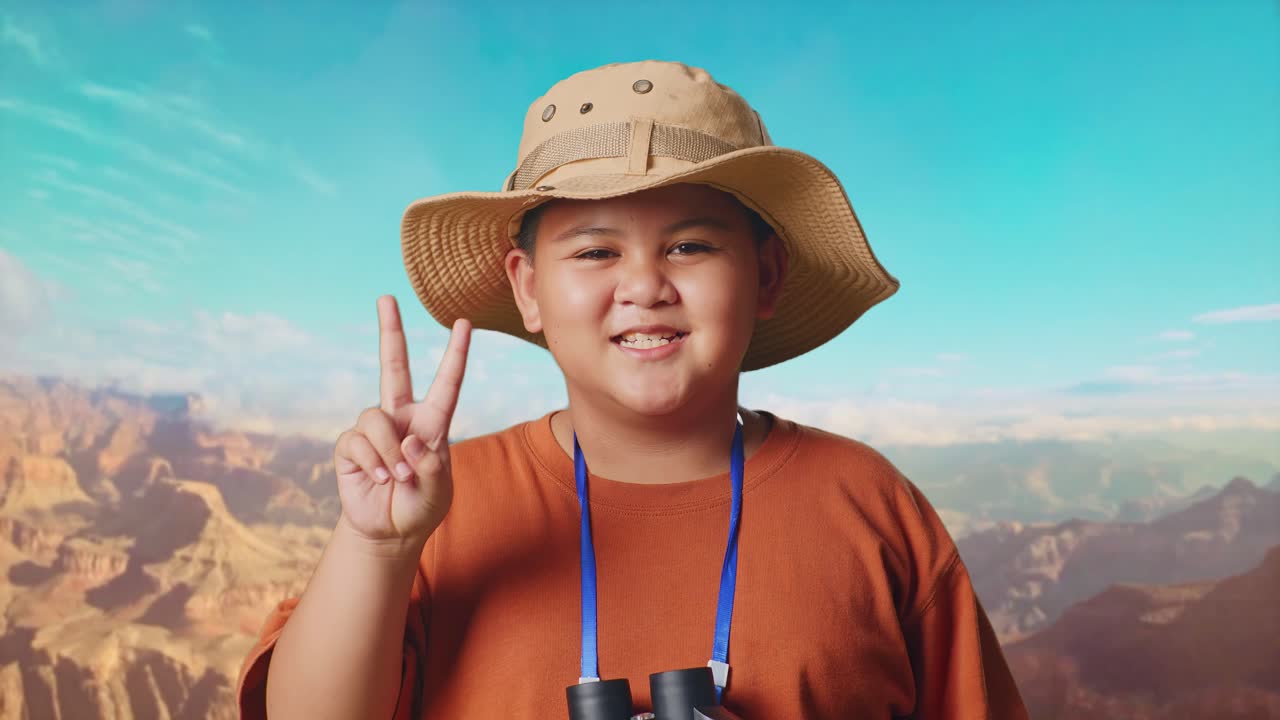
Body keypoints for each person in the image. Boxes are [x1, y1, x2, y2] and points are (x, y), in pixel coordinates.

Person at [236, 60, 1029, 719]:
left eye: (690, 245)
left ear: (767, 275)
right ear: (528, 289)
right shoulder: (441, 508)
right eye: (594, 252)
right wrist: (378, 546)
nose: (644, 285)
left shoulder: (869, 506)